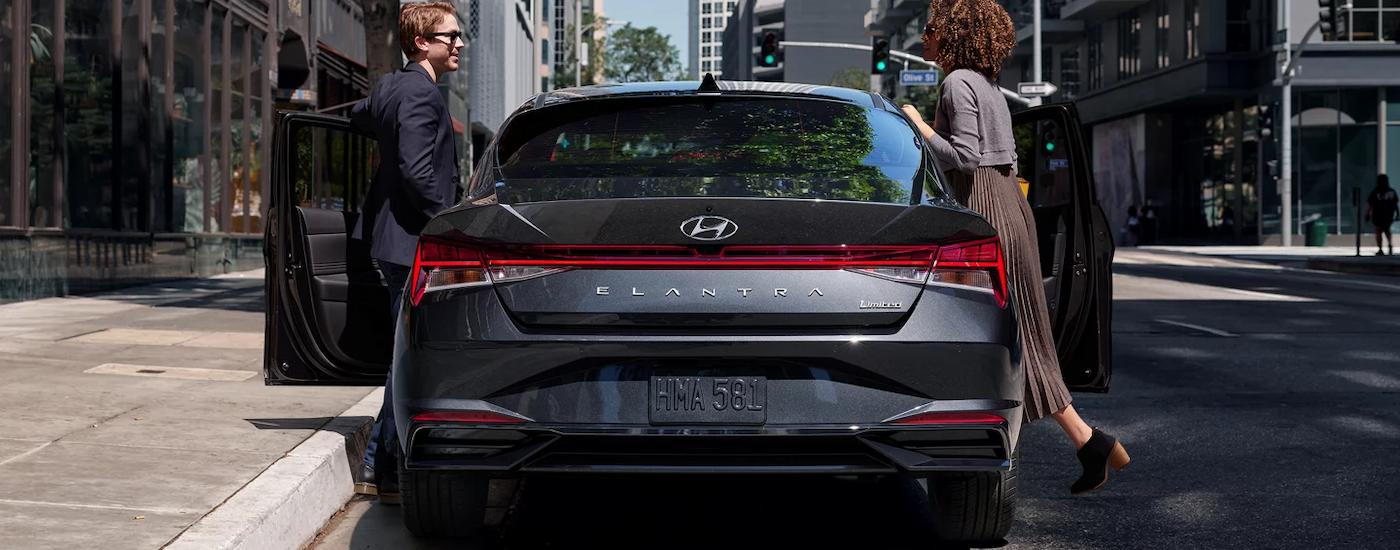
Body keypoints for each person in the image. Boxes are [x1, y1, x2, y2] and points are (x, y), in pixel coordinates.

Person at [900, 0, 1130, 495]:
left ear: (955, 33)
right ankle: (1089, 444)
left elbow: (963, 157)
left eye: (930, 29)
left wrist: (917, 125)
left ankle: (993, 475)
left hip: (987, 208)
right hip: (1009, 206)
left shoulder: (959, 82)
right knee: (1021, 337)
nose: (923, 38)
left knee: (1003, 338)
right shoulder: (987, 88)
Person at [350, 1, 464, 504]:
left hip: (390, 238)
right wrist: (452, 223)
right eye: (449, 37)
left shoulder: (390, 87)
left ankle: (384, 468)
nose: (458, 44)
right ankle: (381, 466)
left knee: (406, 354)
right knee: (408, 360)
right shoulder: (421, 94)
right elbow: (418, 172)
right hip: (415, 240)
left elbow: (359, 115)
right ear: (422, 42)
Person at [1366, 174, 1397, 256]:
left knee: (1378, 231)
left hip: (1378, 214)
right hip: (1388, 214)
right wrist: (1397, 214)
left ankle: (1380, 248)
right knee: (1387, 230)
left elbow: (1370, 204)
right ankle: (1390, 245)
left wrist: (1367, 214)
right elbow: (1395, 204)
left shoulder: (1375, 192)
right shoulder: (1392, 192)